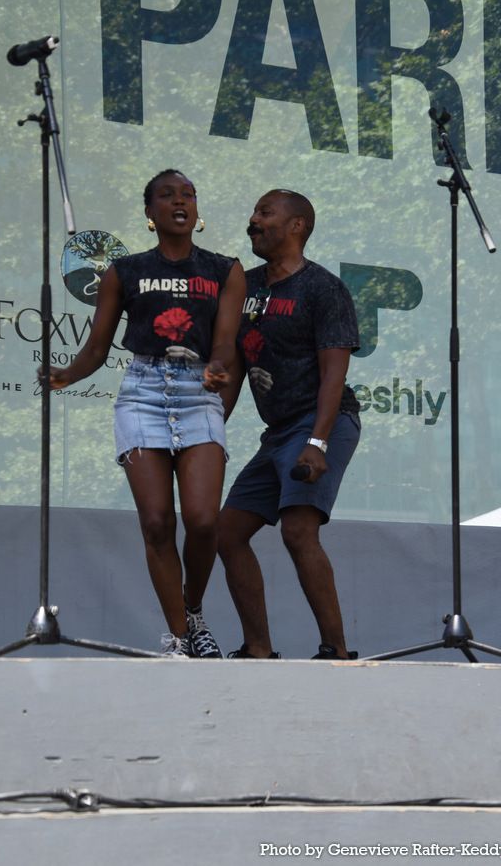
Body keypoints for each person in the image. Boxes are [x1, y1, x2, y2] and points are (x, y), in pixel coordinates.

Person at [45, 169, 246, 658]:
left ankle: (193, 612)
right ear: (149, 213)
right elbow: (97, 347)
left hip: (198, 390)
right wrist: (67, 374)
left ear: (197, 211)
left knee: (202, 522)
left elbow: (224, 340)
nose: (180, 202)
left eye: (189, 195)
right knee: (157, 522)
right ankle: (178, 637)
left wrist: (219, 366)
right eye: (167, 195)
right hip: (142, 392)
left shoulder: (225, 269)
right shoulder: (124, 271)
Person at [218, 189, 361, 660]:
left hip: (322, 422)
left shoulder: (323, 288)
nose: (253, 221)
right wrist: (211, 431)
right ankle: (258, 648)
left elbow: (334, 374)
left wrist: (317, 441)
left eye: (264, 213)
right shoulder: (245, 286)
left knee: (298, 530)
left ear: (297, 225)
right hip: (277, 431)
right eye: (254, 211)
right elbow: (235, 368)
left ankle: (336, 650)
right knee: (227, 533)